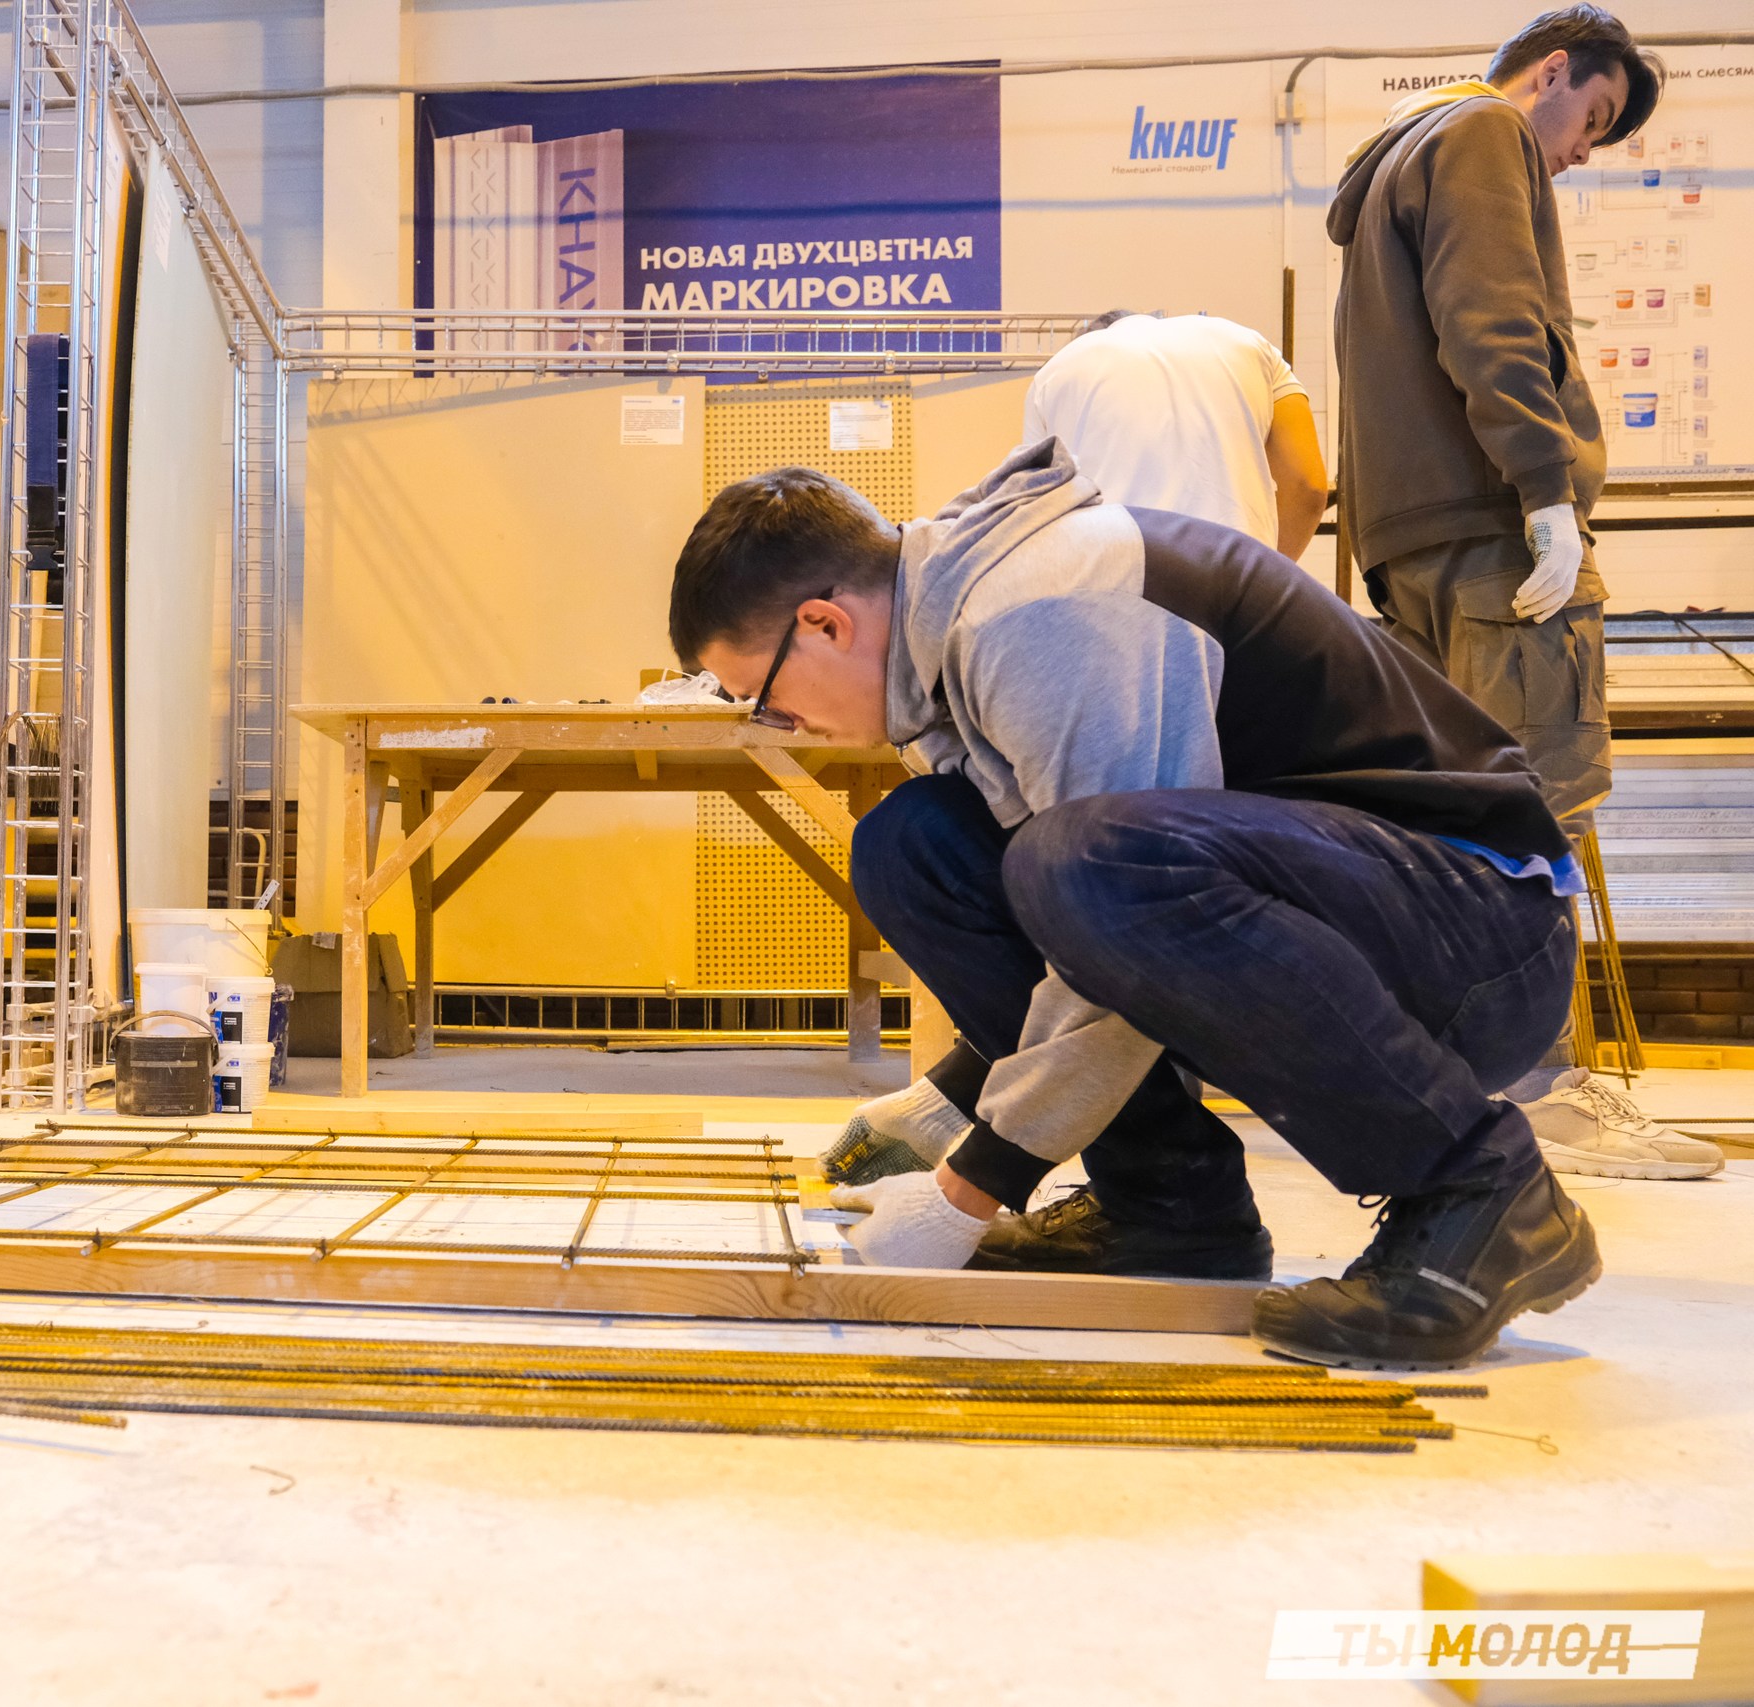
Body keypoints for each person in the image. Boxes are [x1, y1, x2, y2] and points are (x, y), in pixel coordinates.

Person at [668, 446, 1602, 1369]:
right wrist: (953, 1095)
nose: (786, 726)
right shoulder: (951, 647)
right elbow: (1098, 934)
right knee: (915, 845)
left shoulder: (1037, 615)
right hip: (1364, 908)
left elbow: (1114, 898)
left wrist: (972, 1183)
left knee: (1081, 860)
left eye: (766, 699)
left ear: (824, 624)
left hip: (1484, 936)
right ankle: (1168, 1210)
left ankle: (1479, 1188)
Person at [1332, 5, 1718, 1181]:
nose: (1580, 152)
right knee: (1538, 810)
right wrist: (1545, 489)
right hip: (1495, 535)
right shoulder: (1482, 134)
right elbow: (1493, 316)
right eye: (1589, 117)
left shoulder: (1392, 162)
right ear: (1549, 72)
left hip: (1408, 547)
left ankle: (1464, 1082)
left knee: (1451, 825)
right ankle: (1545, 1089)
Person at [1022, 309, 1329, 559]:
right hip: (1234, 572)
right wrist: (1267, 576)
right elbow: (1309, 486)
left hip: (1113, 579)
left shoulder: (1054, 373)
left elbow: (1035, 514)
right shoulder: (1248, 343)